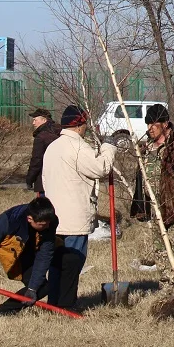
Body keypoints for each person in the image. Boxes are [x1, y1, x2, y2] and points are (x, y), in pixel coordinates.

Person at [41, 105, 117, 312]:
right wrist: (109, 148)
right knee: (73, 262)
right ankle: (67, 305)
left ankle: (54, 303)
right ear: (79, 125)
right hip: (73, 218)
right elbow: (100, 168)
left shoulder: (52, 147)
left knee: (56, 263)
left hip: (54, 217)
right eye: (84, 124)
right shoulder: (78, 147)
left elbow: (45, 180)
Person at [132, 104, 174, 281]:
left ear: (165, 124)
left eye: (153, 125)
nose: (149, 129)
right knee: (161, 251)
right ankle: (166, 286)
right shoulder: (148, 147)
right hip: (156, 209)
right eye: (147, 125)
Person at [0, 196, 58, 317]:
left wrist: (32, 289)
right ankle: (1, 314)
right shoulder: (8, 221)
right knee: (40, 286)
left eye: (48, 223)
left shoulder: (50, 221)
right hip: (12, 250)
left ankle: (2, 313)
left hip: (33, 248)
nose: (47, 227)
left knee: (41, 286)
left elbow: (45, 255)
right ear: (30, 219)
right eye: (42, 224)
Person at [24, 107, 61, 194]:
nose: (33, 123)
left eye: (35, 120)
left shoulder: (41, 137)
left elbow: (36, 160)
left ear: (44, 120)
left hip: (45, 181)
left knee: (45, 206)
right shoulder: (61, 133)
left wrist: (29, 179)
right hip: (62, 179)